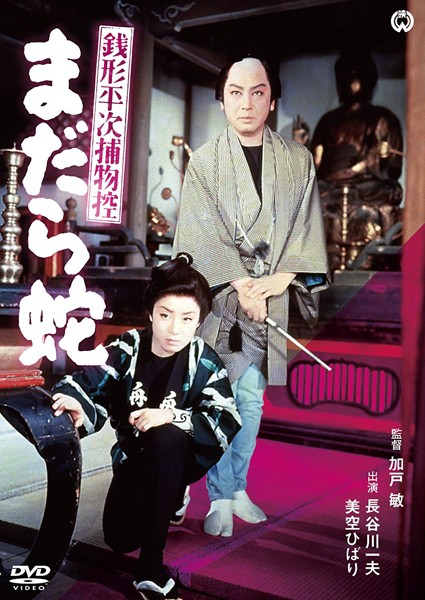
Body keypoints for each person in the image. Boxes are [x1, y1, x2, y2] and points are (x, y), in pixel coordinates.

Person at [173, 56, 329, 537]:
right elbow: (200, 234)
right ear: (222, 101)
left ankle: (237, 487)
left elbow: (307, 227)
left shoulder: (298, 160)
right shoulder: (205, 162)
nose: (246, 103)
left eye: (257, 92)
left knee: (253, 402)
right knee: (222, 397)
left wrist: (283, 277)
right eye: (235, 93)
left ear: (272, 100)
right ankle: (220, 495)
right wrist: (241, 284)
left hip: (272, 298)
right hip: (223, 302)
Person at [51, 253, 241, 600]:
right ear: (151, 313)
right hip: (134, 457)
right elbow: (86, 380)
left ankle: (151, 568)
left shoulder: (205, 360)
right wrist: (76, 401)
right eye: (165, 315)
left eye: (187, 318)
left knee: (165, 436)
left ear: (199, 320)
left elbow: (226, 417)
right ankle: (170, 498)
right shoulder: (127, 347)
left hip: (179, 455)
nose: (175, 328)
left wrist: (172, 416)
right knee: (120, 538)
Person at [297, 50, 404, 270]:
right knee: (312, 195)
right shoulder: (328, 120)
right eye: (344, 76)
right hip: (331, 189)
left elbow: (394, 169)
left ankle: (369, 259)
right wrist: (301, 145)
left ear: (370, 80)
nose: (350, 81)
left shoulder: (383, 117)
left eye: (356, 74)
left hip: (366, 187)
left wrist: (385, 156)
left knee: (388, 190)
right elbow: (316, 168)